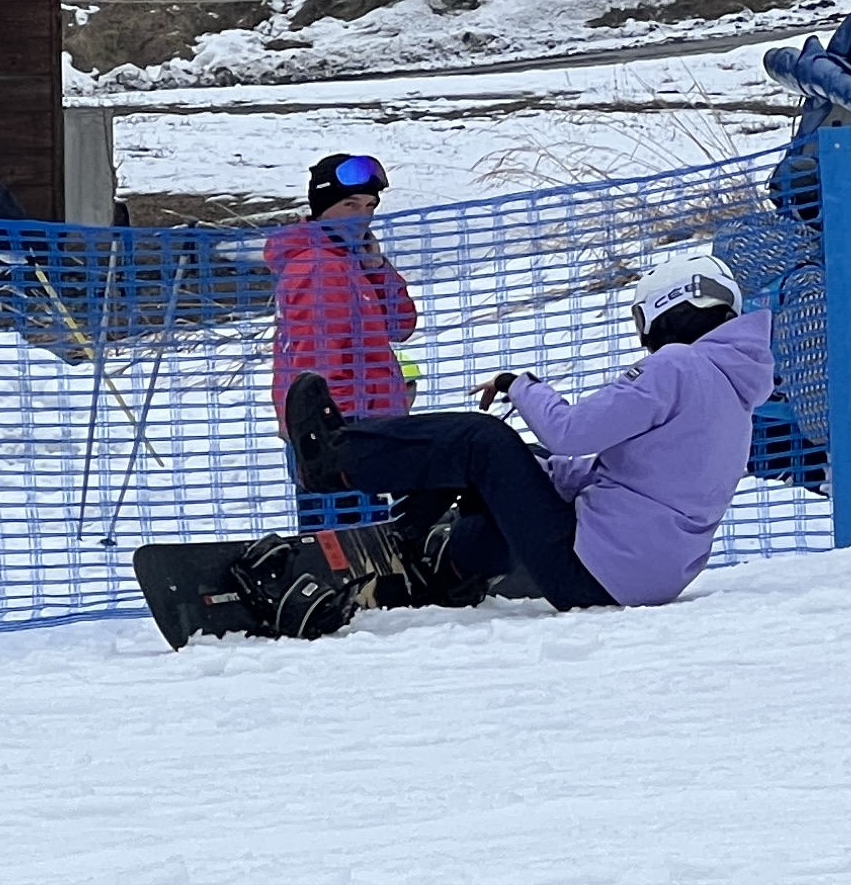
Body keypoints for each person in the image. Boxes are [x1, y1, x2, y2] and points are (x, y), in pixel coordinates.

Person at [282, 256, 774, 613]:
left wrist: (517, 384)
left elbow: (570, 432)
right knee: (519, 461)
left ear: (669, 304)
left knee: (480, 440)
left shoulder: (679, 365)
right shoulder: (735, 396)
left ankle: (334, 459)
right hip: (639, 575)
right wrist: (528, 466)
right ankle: (450, 569)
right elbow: (626, 480)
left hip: (594, 570)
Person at [269, 151, 419, 419]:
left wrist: (377, 269)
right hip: (348, 426)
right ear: (323, 207)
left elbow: (400, 326)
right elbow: (317, 363)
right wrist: (336, 430)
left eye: (370, 205)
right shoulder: (320, 267)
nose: (363, 216)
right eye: (351, 204)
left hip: (370, 423)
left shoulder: (348, 261)